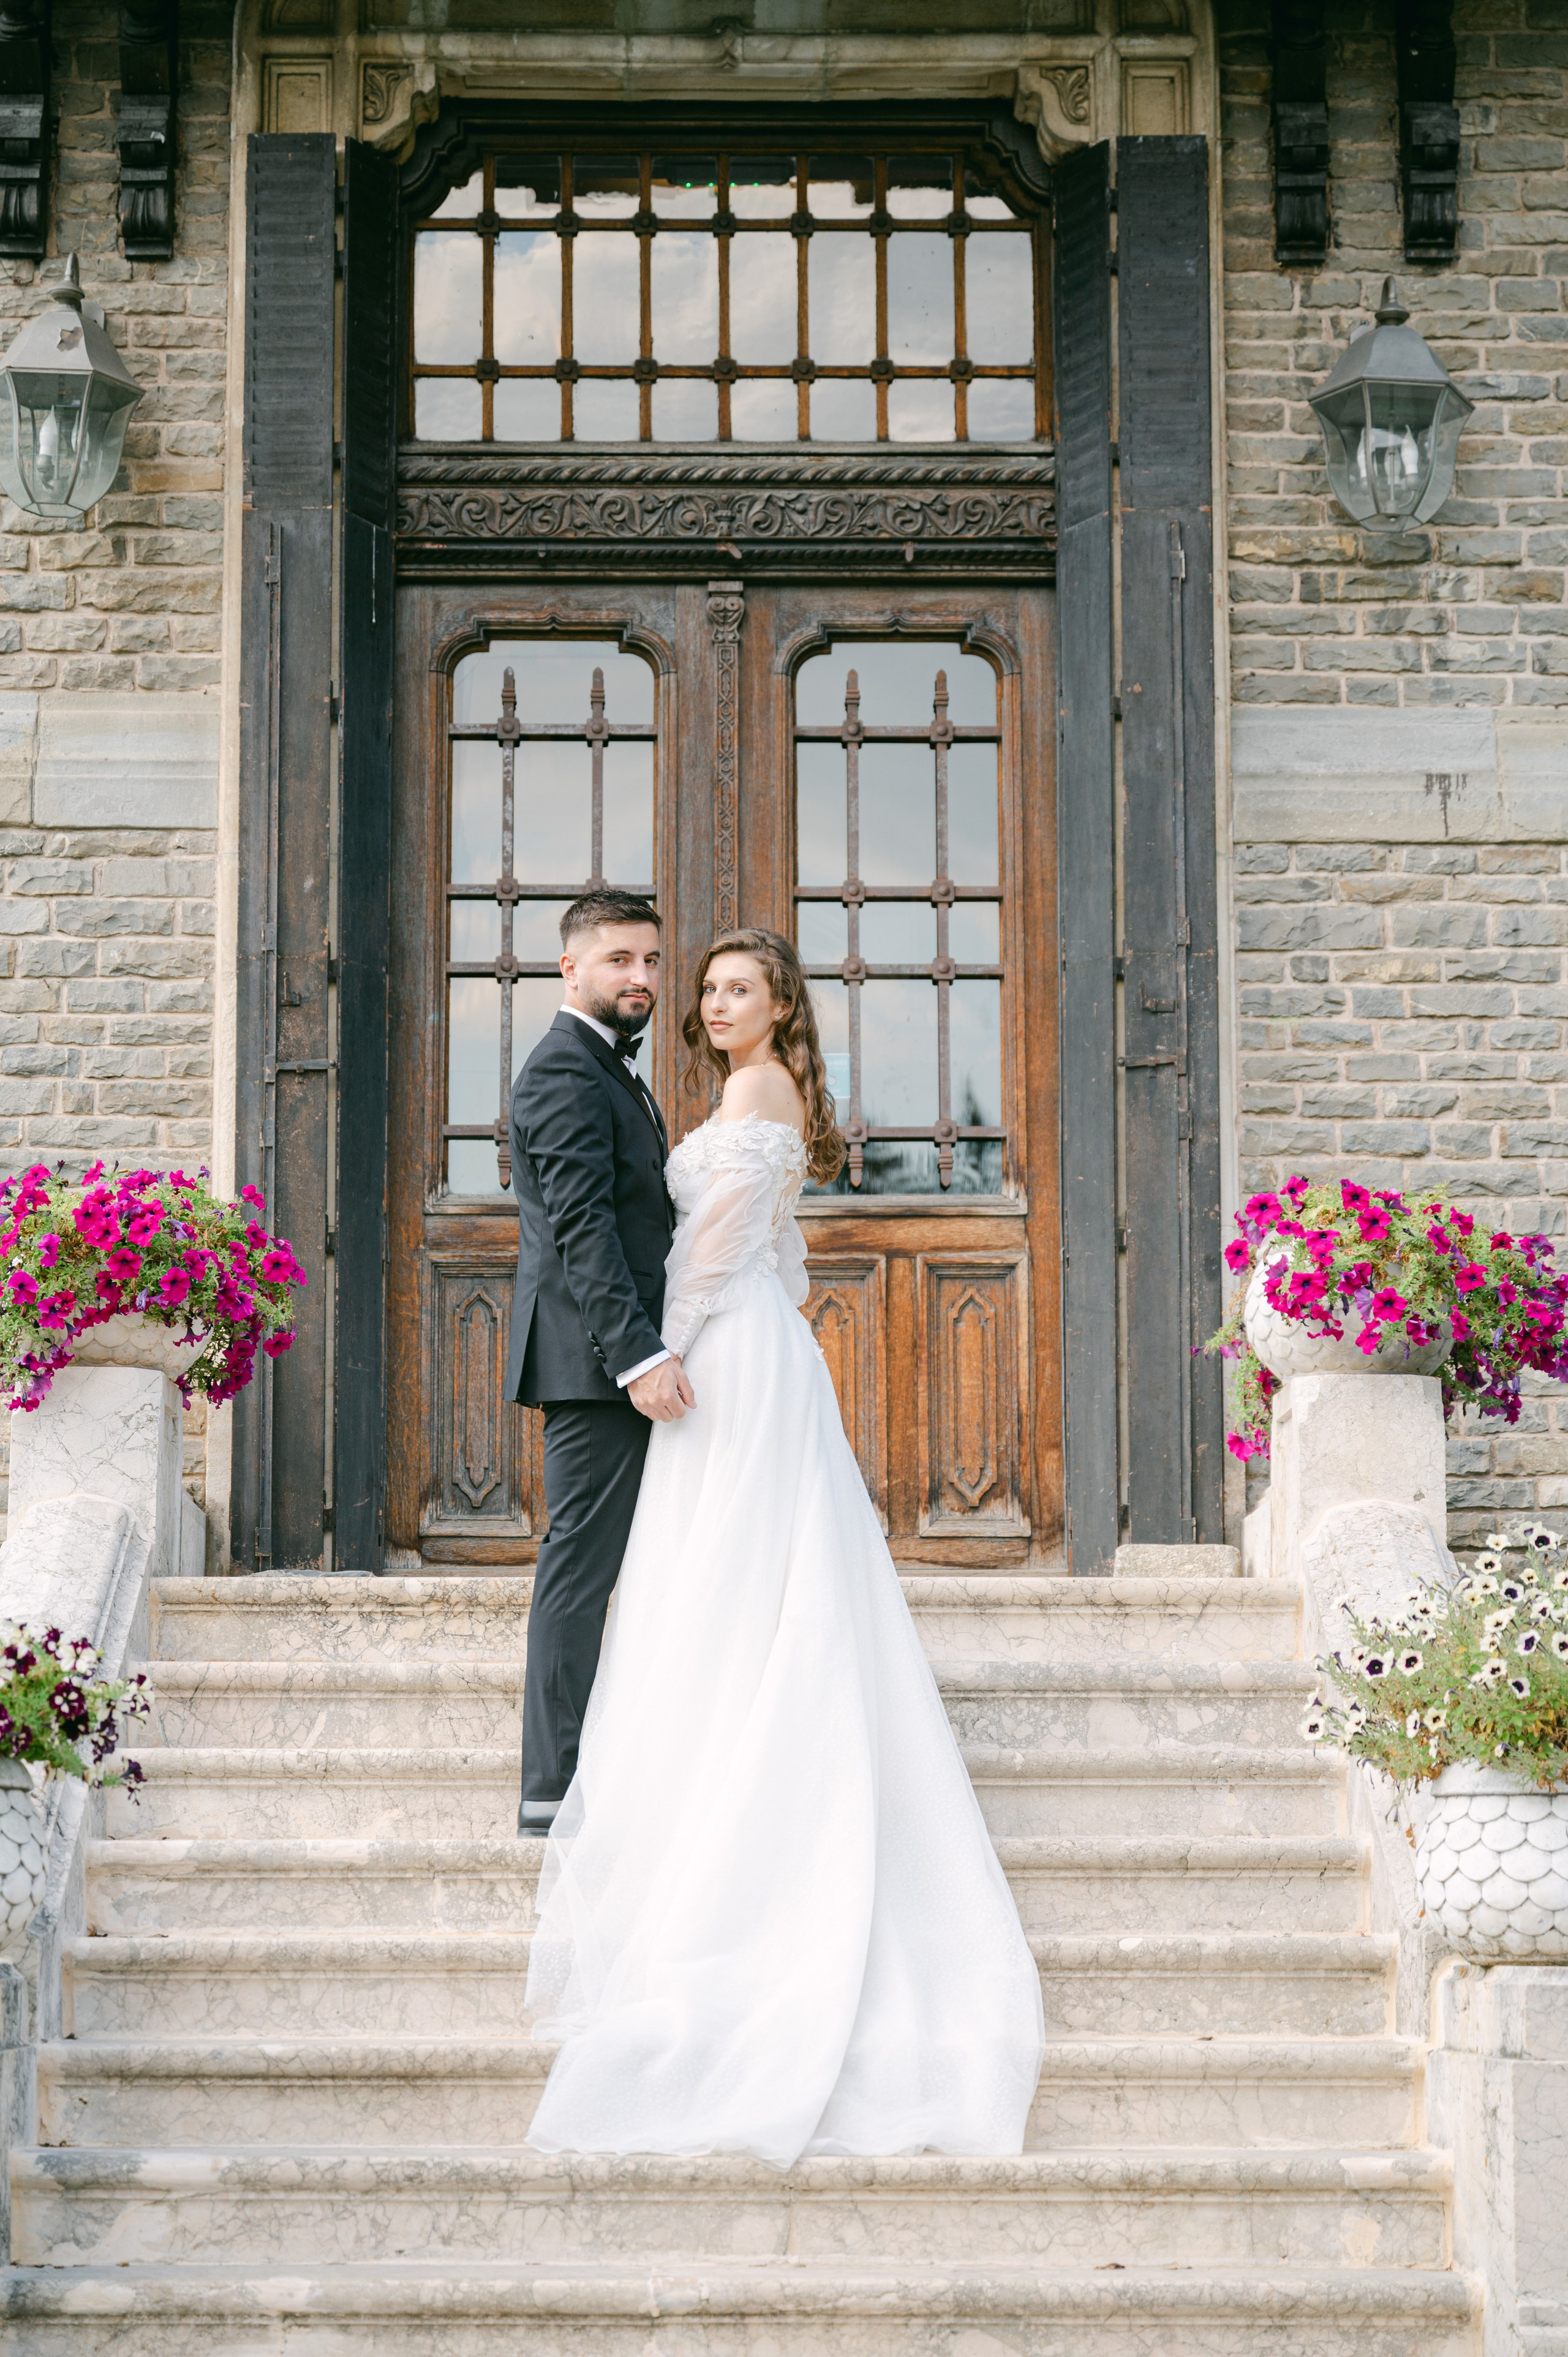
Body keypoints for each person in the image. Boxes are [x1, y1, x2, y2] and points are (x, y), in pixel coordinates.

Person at [523, 927, 1044, 2165]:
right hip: (736, 1340)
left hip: (719, 1347)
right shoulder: (716, 1090)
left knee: (734, 1566)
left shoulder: (756, 1093)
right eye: (702, 989)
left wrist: (666, 1344)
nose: (708, 1004)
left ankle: (742, 1754)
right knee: (718, 1567)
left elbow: (714, 1246)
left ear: (778, 1006)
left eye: (734, 988)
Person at [505, 889, 693, 1843]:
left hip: (620, 1357)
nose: (642, 978)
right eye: (620, 959)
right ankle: (550, 1789)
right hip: (597, 1364)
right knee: (578, 1568)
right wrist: (638, 1357)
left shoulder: (605, 1068)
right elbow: (583, 1230)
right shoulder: (563, 1071)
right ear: (570, 967)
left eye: (653, 960)